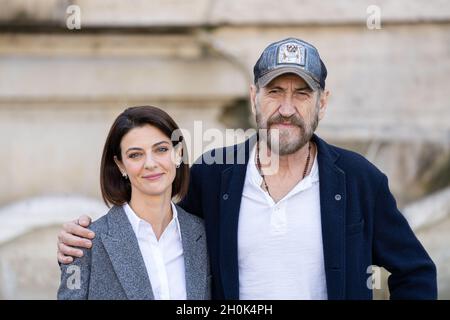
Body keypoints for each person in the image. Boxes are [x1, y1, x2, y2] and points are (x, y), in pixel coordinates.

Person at [57, 38, 437, 299]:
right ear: (255, 98)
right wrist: (84, 239)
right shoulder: (213, 173)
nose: (286, 108)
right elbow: (158, 229)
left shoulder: (358, 179)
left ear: (322, 103)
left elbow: (416, 272)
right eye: (274, 92)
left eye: (301, 94)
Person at [57, 106, 210, 300]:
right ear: (120, 164)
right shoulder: (84, 245)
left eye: (161, 149)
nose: (150, 163)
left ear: (178, 153)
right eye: (135, 155)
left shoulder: (204, 234)